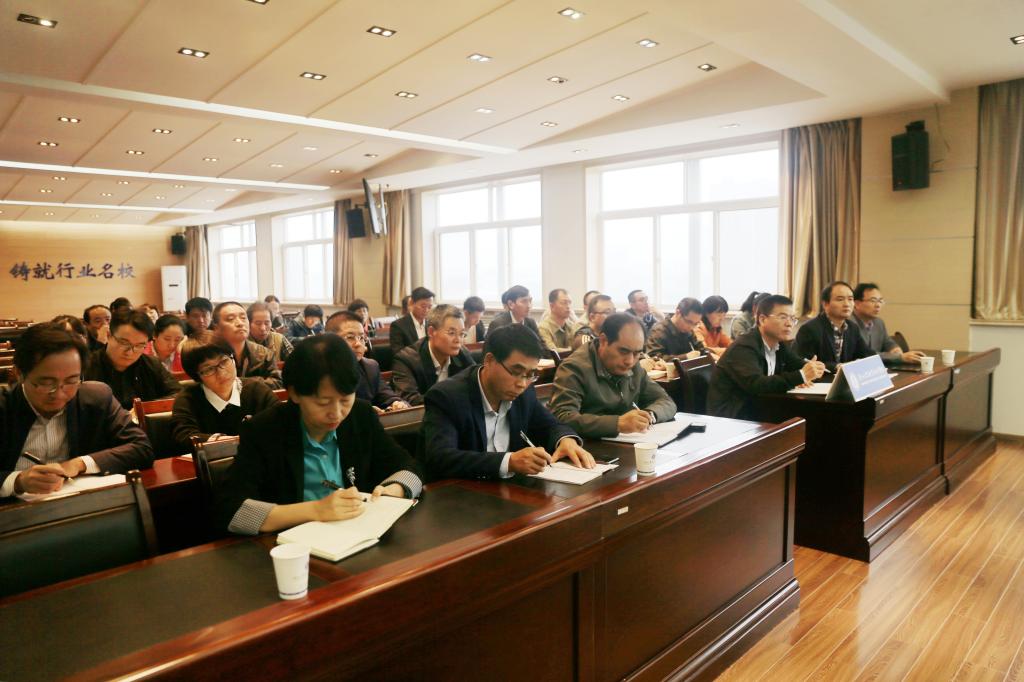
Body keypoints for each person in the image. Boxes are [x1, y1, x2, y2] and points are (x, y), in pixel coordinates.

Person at [216, 334, 423, 535]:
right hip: (290, 544)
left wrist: (393, 490)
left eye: (345, 399)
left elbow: (410, 467)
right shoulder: (265, 429)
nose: (337, 413)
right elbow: (231, 510)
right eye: (323, 403)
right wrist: (316, 510)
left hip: (357, 536)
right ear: (294, 393)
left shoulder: (360, 415)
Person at [422, 325, 595, 481]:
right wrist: (508, 462)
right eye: (516, 371)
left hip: (511, 491)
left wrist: (565, 440)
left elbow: (549, 425)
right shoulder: (447, 397)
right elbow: (440, 458)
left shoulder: (524, 392)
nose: (522, 383)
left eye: (531, 374)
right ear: (489, 361)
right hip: (462, 494)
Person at [1, 324, 153, 498]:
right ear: (19, 374)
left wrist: (78, 464)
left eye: (71, 381)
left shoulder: (95, 398)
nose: (59, 393)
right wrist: (18, 481)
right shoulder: (4, 407)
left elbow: (141, 448)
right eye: (46, 383)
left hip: (82, 504)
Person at [550, 313, 677, 438]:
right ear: (603, 341)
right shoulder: (574, 368)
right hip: (588, 445)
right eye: (623, 351)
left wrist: (648, 416)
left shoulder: (634, 366)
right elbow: (563, 418)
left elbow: (666, 401)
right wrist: (617, 423)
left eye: (637, 353)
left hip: (627, 442)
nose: (630, 361)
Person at [708, 295, 826, 420]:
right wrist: (801, 376)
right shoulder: (744, 347)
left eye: (792, 318)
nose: (789, 324)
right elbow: (756, 385)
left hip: (759, 406)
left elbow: (796, 364)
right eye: (783, 317)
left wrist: (813, 368)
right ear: (762, 319)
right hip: (733, 416)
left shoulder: (779, 343)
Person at [170, 343, 279, 451]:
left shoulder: (257, 389)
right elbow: (184, 436)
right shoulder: (187, 399)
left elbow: (280, 422)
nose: (221, 373)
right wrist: (227, 442)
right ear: (197, 376)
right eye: (208, 369)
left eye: (224, 361)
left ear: (233, 358)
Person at [84, 310, 181, 409]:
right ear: (109, 335)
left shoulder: (151, 364)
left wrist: (144, 409)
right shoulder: (86, 366)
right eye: (124, 343)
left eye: (139, 345)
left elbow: (178, 394)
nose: (130, 352)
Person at [325, 311, 410, 413]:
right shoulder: (321, 370)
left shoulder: (370, 366)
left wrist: (396, 403)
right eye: (350, 337)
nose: (358, 344)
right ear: (330, 340)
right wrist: (365, 411)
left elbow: (386, 395)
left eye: (361, 338)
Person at [391, 305, 475, 405]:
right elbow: (411, 400)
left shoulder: (462, 354)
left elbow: (476, 386)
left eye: (462, 334)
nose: (458, 340)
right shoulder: (406, 360)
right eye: (451, 333)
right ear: (431, 332)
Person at [795, 281, 875, 372]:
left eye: (850, 299)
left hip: (844, 378)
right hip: (820, 379)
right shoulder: (810, 329)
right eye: (840, 299)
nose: (847, 304)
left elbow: (866, 354)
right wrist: (836, 366)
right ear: (825, 304)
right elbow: (803, 361)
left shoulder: (852, 328)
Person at [211, 301, 282, 388]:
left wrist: (241, 383)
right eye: (230, 319)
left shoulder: (264, 354)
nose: (240, 323)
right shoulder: (209, 356)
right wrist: (257, 381)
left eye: (243, 318)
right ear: (216, 328)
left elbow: (278, 383)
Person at [852, 283, 925, 365]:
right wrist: (898, 357)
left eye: (880, 301)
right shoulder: (850, 324)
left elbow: (887, 342)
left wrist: (895, 348)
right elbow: (865, 354)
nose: (878, 305)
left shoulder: (878, 322)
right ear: (857, 304)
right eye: (873, 300)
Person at [389, 287, 434, 354]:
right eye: (423, 306)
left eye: (430, 307)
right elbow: (398, 352)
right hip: (409, 360)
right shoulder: (398, 325)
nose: (426, 310)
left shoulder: (432, 324)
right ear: (412, 303)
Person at [247, 302, 293, 366]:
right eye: (258, 323)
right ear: (248, 323)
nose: (263, 328)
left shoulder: (279, 339)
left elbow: (295, 362)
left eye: (267, 323)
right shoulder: (242, 343)